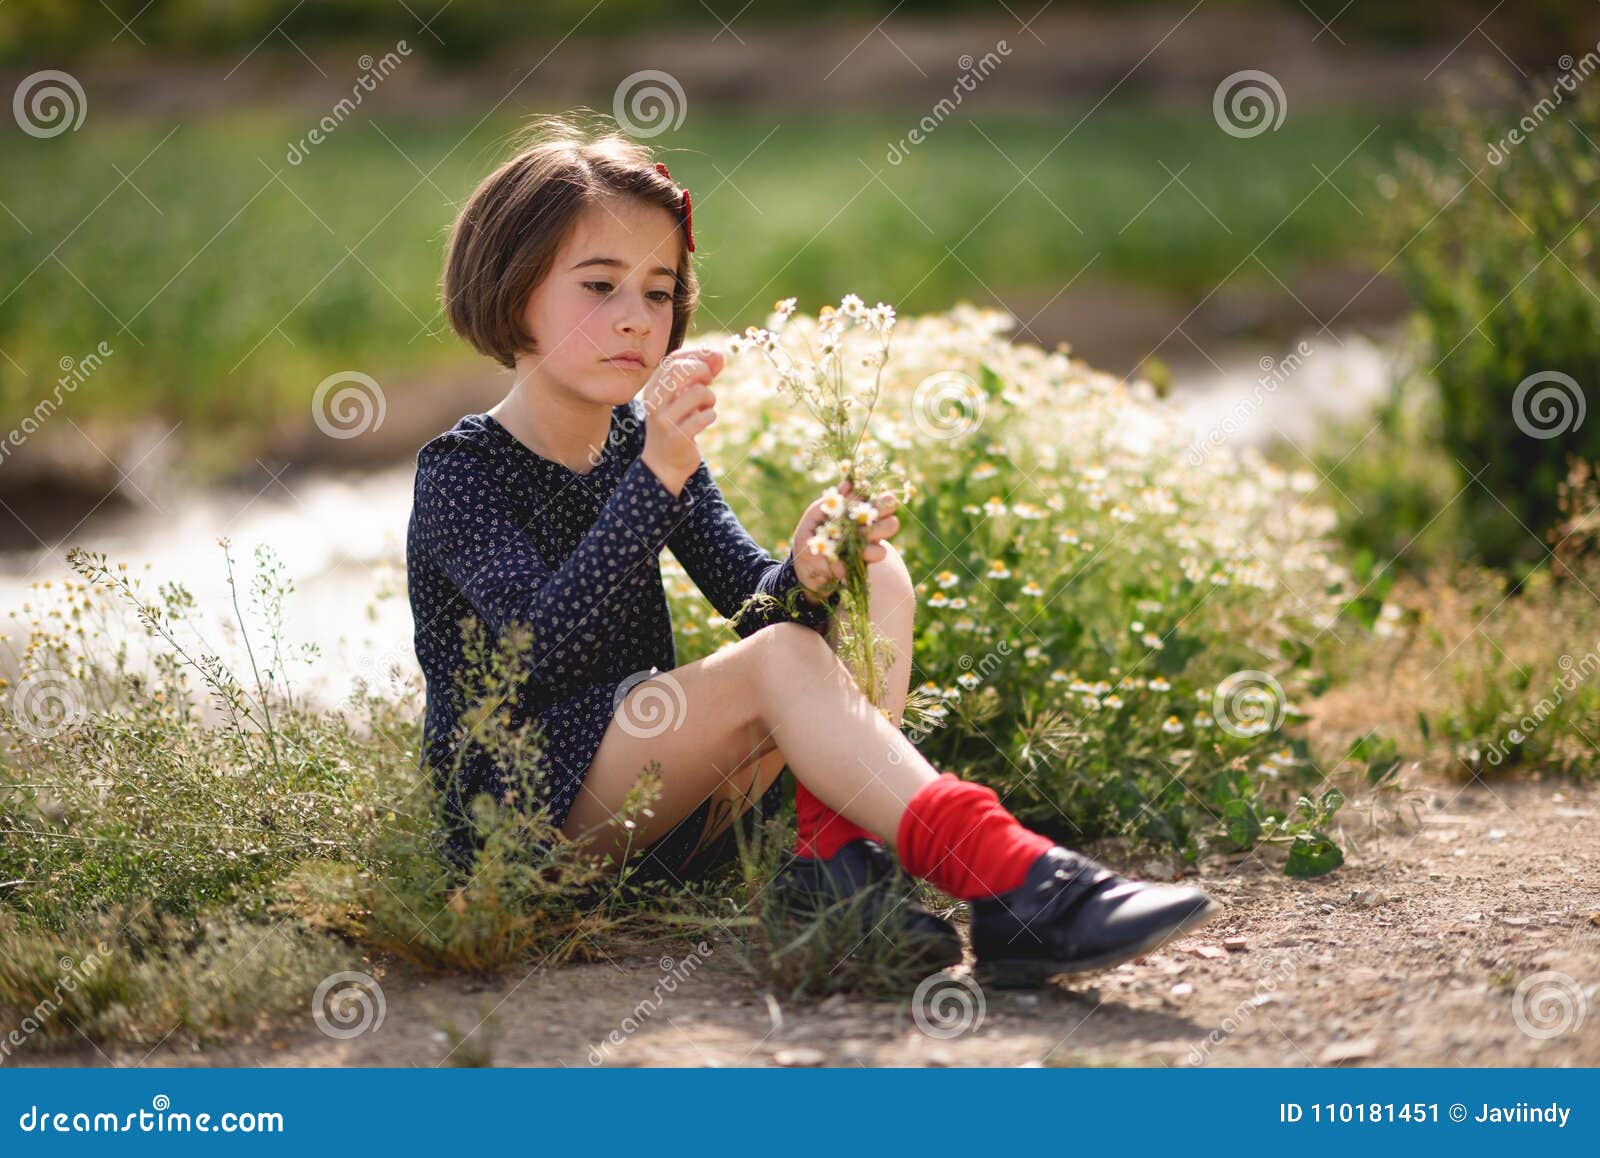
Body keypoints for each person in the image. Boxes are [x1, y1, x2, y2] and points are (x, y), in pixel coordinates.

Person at [405, 114, 1222, 986]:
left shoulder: (638, 446)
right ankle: (1016, 880)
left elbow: (754, 608)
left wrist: (804, 569)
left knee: (877, 573)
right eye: (598, 286)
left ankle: (835, 880)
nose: (635, 320)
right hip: (523, 819)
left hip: (664, 811)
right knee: (782, 656)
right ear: (510, 286)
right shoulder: (464, 473)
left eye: (657, 290)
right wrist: (658, 478)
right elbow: (537, 654)